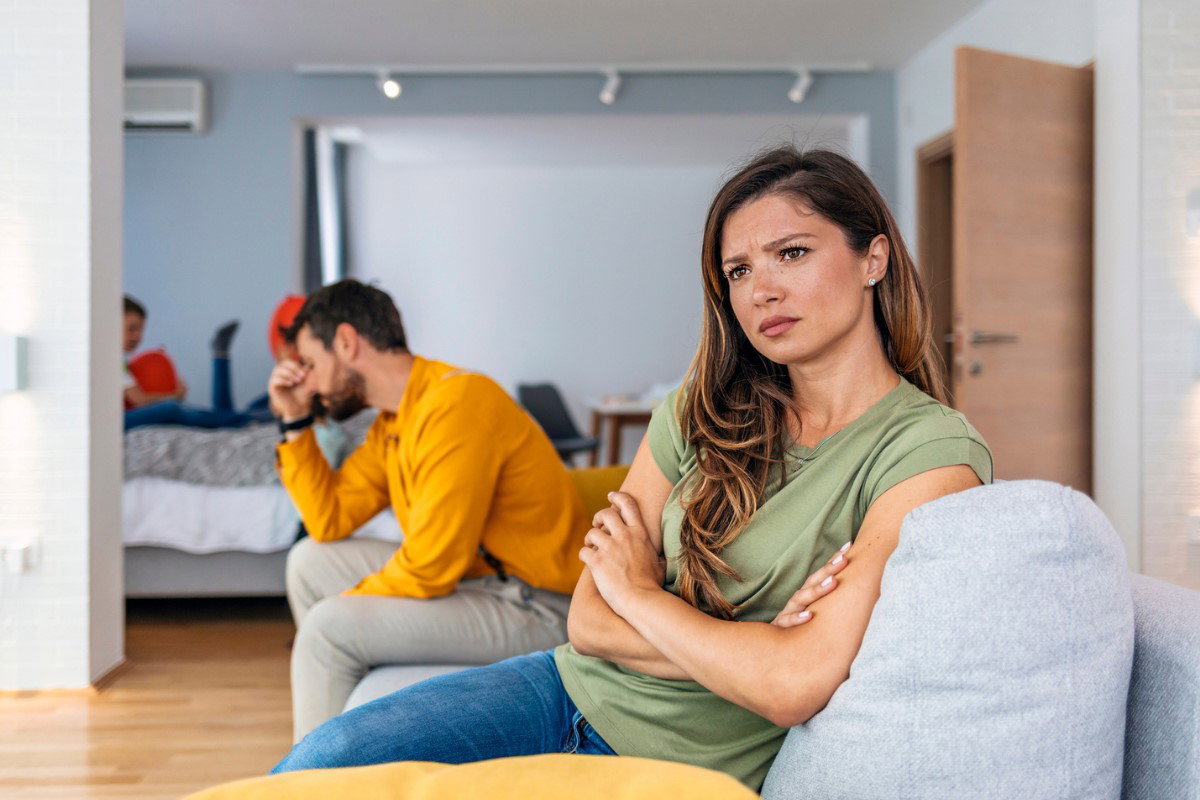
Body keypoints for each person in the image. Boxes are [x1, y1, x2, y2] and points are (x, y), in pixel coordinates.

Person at [270, 147, 993, 790]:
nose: (760, 290)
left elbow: (790, 684)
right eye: (738, 270)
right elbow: (588, 620)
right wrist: (749, 645)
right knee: (317, 767)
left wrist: (642, 595)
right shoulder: (696, 410)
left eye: (792, 253)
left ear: (875, 257)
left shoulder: (927, 453)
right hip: (564, 686)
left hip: (684, 760)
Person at [268, 279, 592, 741]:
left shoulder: (456, 404)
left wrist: (348, 607)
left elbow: (431, 566)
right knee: (308, 563)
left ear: (346, 342)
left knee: (327, 629)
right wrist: (295, 422)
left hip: (537, 606)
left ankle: (317, 778)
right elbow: (328, 520)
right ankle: (346, 739)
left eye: (311, 364)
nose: (311, 383)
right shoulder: (395, 421)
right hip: (481, 582)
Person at [122, 294, 256, 430]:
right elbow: (139, 401)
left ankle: (235, 418)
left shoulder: (120, 363)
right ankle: (245, 419)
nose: (137, 336)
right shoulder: (113, 364)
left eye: (141, 330)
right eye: (131, 328)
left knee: (180, 409)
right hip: (118, 420)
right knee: (171, 409)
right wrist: (174, 396)